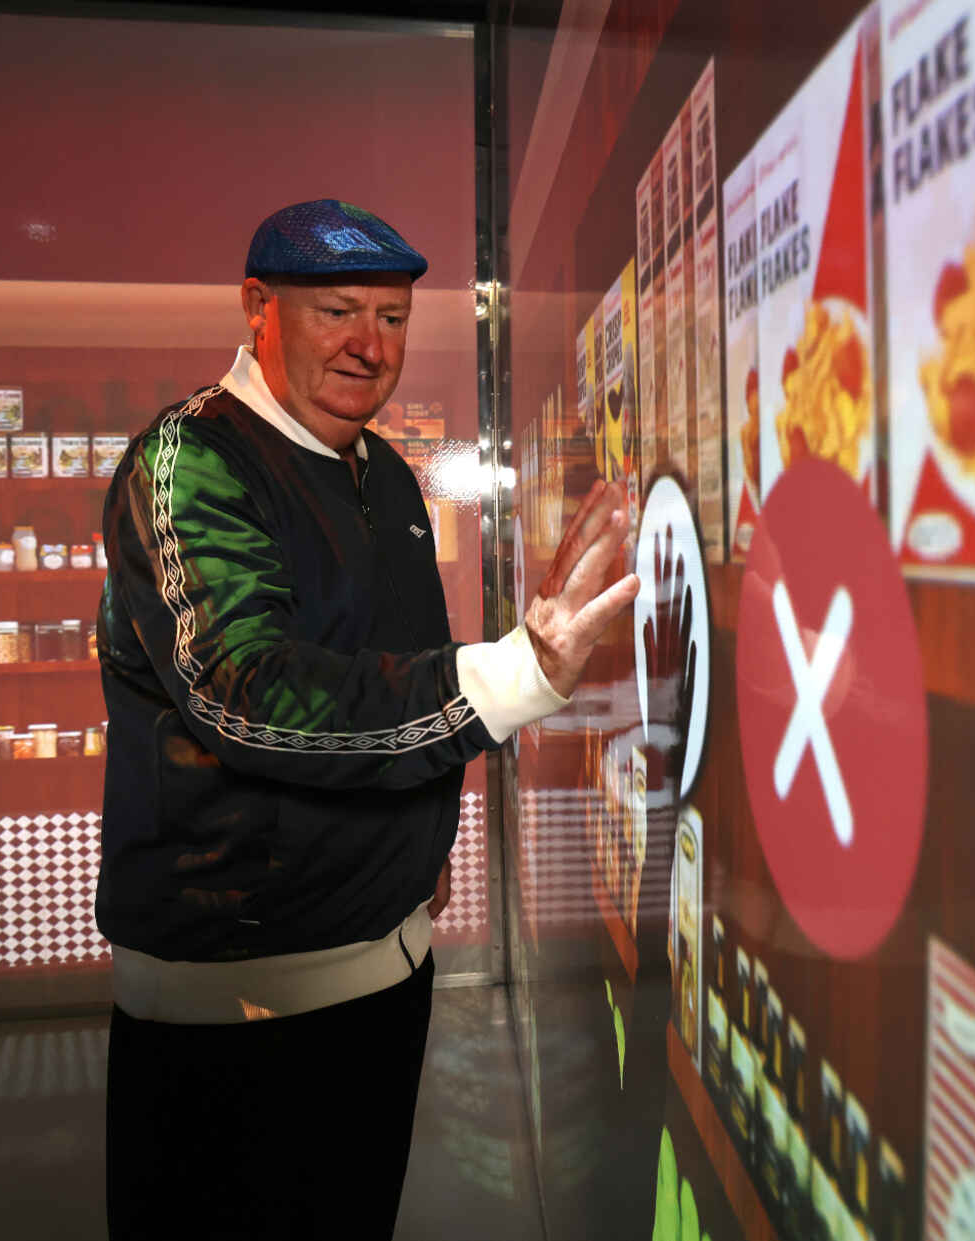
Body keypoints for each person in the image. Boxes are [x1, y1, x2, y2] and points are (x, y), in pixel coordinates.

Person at [95, 198, 639, 1239]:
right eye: (337, 310)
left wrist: (418, 838)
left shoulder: (383, 473)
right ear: (258, 307)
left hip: (386, 958)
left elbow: (389, 668)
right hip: (235, 999)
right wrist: (521, 671)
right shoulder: (193, 460)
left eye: (391, 317)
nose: (368, 344)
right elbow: (244, 695)